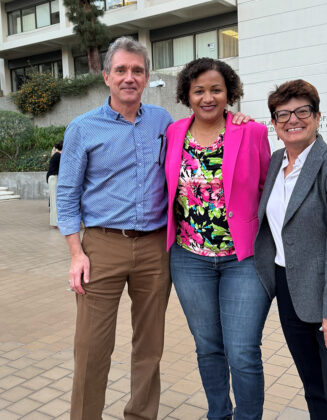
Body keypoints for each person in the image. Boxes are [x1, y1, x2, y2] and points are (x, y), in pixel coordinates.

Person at [56, 37, 174, 420]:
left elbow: (206, 133)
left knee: (149, 346)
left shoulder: (163, 122)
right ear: (106, 76)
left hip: (155, 249)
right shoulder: (82, 128)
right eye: (121, 70)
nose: (129, 77)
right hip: (101, 248)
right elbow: (68, 195)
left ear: (147, 77)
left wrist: (235, 117)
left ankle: (141, 415)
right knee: (91, 347)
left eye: (137, 70)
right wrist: (76, 254)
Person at [254, 79, 327, 420]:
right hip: (290, 294)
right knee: (315, 392)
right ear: (274, 124)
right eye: (283, 114)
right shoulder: (275, 163)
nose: (293, 119)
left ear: (318, 117)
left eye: (302, 111)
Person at [165, 58, 272, 420]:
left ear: (230, 93)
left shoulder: (252, 132)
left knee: (242, 351)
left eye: (216, 89)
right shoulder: (174, 132)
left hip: (242, 259)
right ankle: (218, 415)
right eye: (199, 91)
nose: (207, 97)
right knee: (208, 347)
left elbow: (266, 189)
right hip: (188, 258)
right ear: (187, 95)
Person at [46, 141, 63, 227]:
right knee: (55, 201)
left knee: (55, 200)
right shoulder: (58, 156)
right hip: (54, 178)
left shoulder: (57, 155)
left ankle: (55, 222)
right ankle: (55, 223)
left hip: (53, 178)